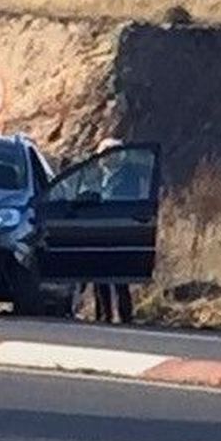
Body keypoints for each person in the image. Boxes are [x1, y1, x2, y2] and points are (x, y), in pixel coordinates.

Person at [86, 137, 137, 324]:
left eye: (107, 156)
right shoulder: (99, 177)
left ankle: (125, 316)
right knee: (99, 276)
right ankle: (103, 315)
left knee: (120, 277)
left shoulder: (128, 177)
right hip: (100, 231)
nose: (103, 160)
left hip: (119, 231)